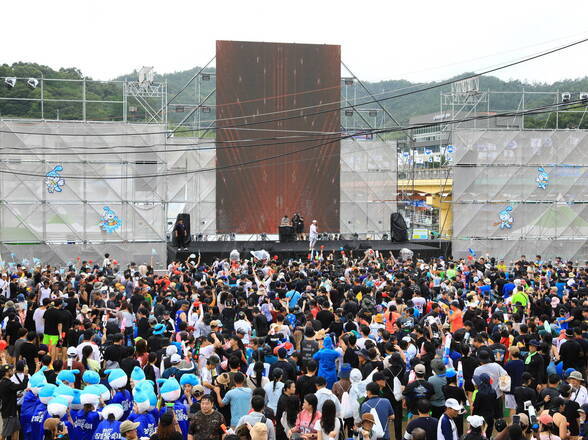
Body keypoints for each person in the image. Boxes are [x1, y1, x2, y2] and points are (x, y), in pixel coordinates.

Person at [0, 364, 28, 440]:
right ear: (6, 372)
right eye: (11, 370)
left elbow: (6, 395)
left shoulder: (3, 382)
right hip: (9, 413)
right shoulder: (8, 383)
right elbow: (22, 386)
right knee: (4, 434)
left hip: (11, 412)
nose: (12, 371)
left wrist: (15, 396)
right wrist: (25, 375)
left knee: (15, 431)